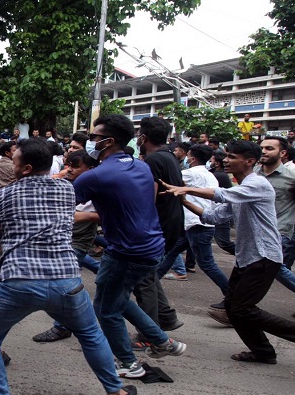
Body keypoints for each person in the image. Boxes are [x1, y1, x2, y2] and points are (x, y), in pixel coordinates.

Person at [0, 138, 137, 395]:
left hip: (17, 283)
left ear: (25, 168)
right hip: (66, 281)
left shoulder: (1, 196)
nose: (8, 164)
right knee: (90, 333)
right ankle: (115, 393)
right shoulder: (66, 190)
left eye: (12, 161)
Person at [162, 140, 295, 367]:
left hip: (264, 256)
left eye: (232, 157)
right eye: (226, 156)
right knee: (233, 308)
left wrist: (187, 188)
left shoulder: (257, 184)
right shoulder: (240, 191)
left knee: (242, 309)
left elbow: (219, 195)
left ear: (249, 161)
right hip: (247, 257)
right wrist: (184, 200)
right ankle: (263, 352)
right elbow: (213, 216)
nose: (226, 160)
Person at [73, 114, 187, 379]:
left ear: (108, 141)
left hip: (127, 251)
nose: (89, 142)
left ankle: (128, 363)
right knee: (118, 297)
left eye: (94, 138)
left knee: (106, 309)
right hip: (150, 245)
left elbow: (61, 207)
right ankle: (162, 341)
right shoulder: (140, 166)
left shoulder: (95, 176)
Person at [32, 149, 104, 343]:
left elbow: (103, 214)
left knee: (62, 283)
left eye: (74, 166)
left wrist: (73, 216)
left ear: (90, 168)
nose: (69, 170)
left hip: (78, 240)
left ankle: (63, 326)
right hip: (63, 239)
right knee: (66, 281)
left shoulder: (96, 188)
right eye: (68, 165)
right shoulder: (67, 184)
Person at [155, 144, 229, 300]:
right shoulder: (210, 175)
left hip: (197, 223)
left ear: (192, 158)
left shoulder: (189, 174)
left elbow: (169, 180)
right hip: (197, 223)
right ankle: (150, 282)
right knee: (171, 253)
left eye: (188, 155)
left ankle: (231, 294)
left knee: (207, 263)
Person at [134, 116, 185, 333]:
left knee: (142, 277)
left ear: (143, 137)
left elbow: (149, 199)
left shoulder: (154, 160)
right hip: (171, 223)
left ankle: (150, 332)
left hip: (158, 226)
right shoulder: (170, 156)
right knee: (149, 273)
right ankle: (166, 316)